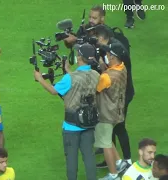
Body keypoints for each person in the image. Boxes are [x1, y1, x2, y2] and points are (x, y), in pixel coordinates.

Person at [34, 43, 99, 180]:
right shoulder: (95, 74)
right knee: (89, 158)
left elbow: (53, 90)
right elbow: (82, 80)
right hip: (89, 124)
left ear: (80, 58)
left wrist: (40, 78)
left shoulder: (70, 79)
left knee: (71, 160)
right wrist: (69, 70)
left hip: (71, 126)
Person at [95, 25, 134, 169]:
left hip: (115, 102)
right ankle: (115, 160)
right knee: (114, 129)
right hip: (117, 100)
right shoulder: (120, 65)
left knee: (117, 129)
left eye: (109, 55)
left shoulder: (110, 74)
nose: (107, 56)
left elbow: (98, 88)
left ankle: (124, 162)